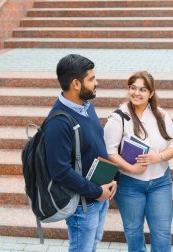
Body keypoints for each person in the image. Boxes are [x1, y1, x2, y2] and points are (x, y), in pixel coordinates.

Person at [44, 54, 117, 252]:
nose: (97, 82)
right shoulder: (58, 123)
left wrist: (111, 179)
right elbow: (60, 172)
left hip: (99, 195)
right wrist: (96, 192)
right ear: (76, 83)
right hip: (83, 205)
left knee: (91, 247)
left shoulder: (86, 106)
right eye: (92, 79)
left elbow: (93, 147)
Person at [104, 71, 173, 252]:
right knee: (133, 233)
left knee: (162, 234)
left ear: (151, 93)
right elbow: (110, 152)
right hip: (130, 184)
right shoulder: (118, 118)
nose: (136, 93)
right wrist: (131, 168)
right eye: (133, 88)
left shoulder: (160, 115)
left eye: (143, 89)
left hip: (160, 182)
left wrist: (159, 157)